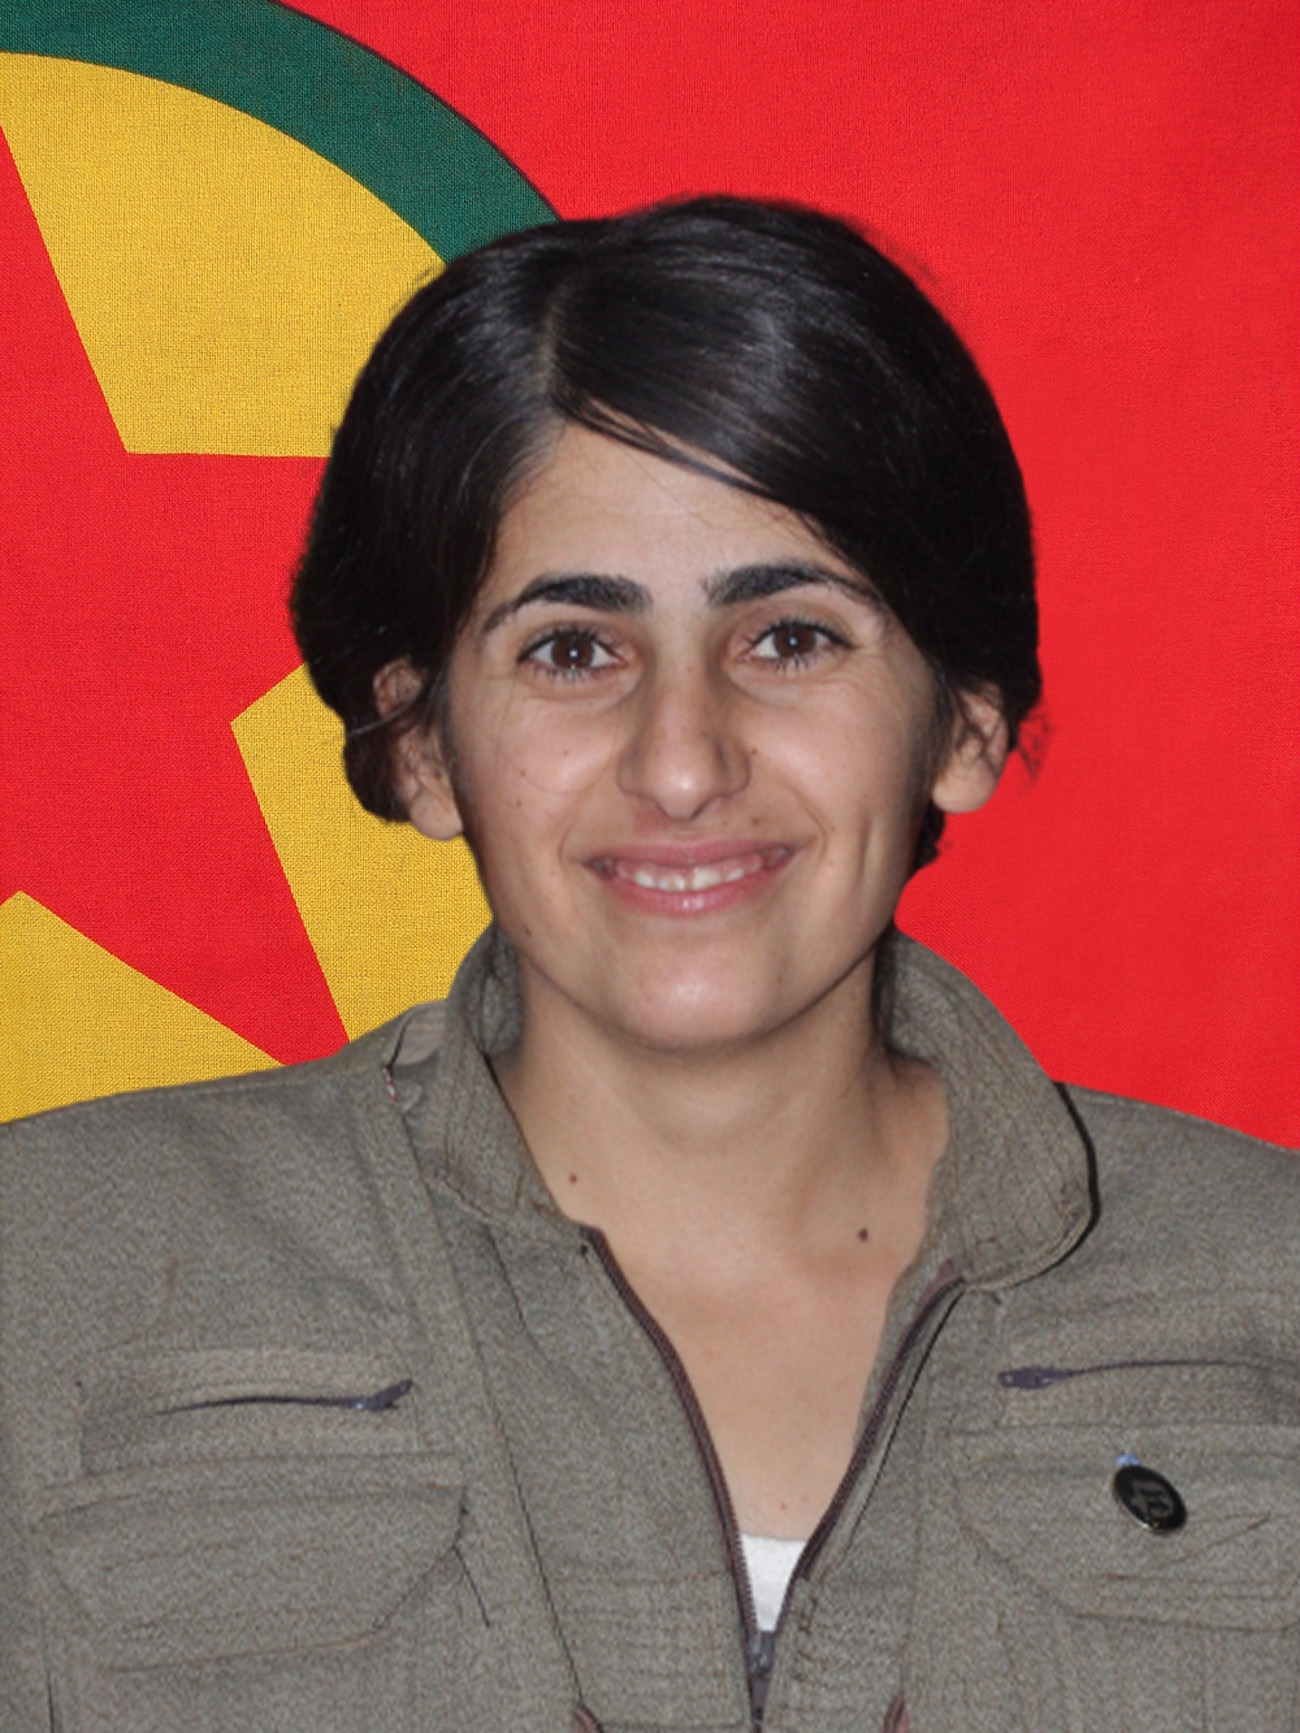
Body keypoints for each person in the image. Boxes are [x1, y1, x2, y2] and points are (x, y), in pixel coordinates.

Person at [0, 197, 1295, 1733]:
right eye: (572, 649)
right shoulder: (49, 1275)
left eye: (792, 637)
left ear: (963, 722)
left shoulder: (1269, 1282)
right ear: (421, 744)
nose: (682, 762)